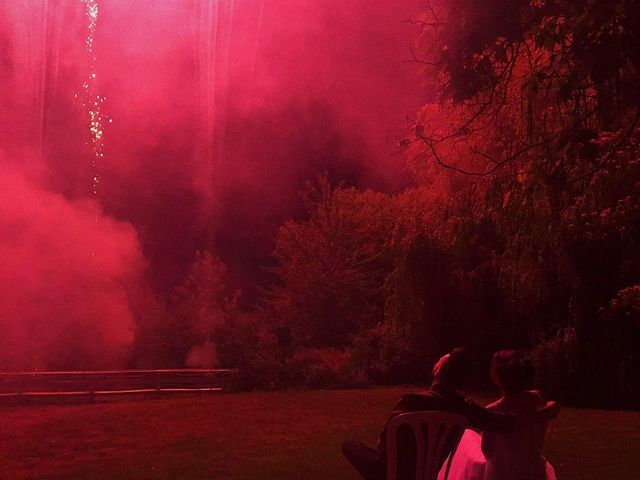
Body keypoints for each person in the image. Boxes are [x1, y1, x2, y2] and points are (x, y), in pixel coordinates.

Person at [342, 348, 540, 480]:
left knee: (350, 445)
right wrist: (543, 412)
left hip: (391, 474)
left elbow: (385, 444)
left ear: (440, 369)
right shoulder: (463, 406)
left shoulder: (410, 401)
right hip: (430, 473)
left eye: (442, 359)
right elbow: (502, 423)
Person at [439, 350, 557, 480]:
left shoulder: (494, 410)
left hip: (503, 474)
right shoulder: (538, 399)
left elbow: (488, 451)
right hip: (535, 473)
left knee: (467, 440)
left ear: (495, 376)